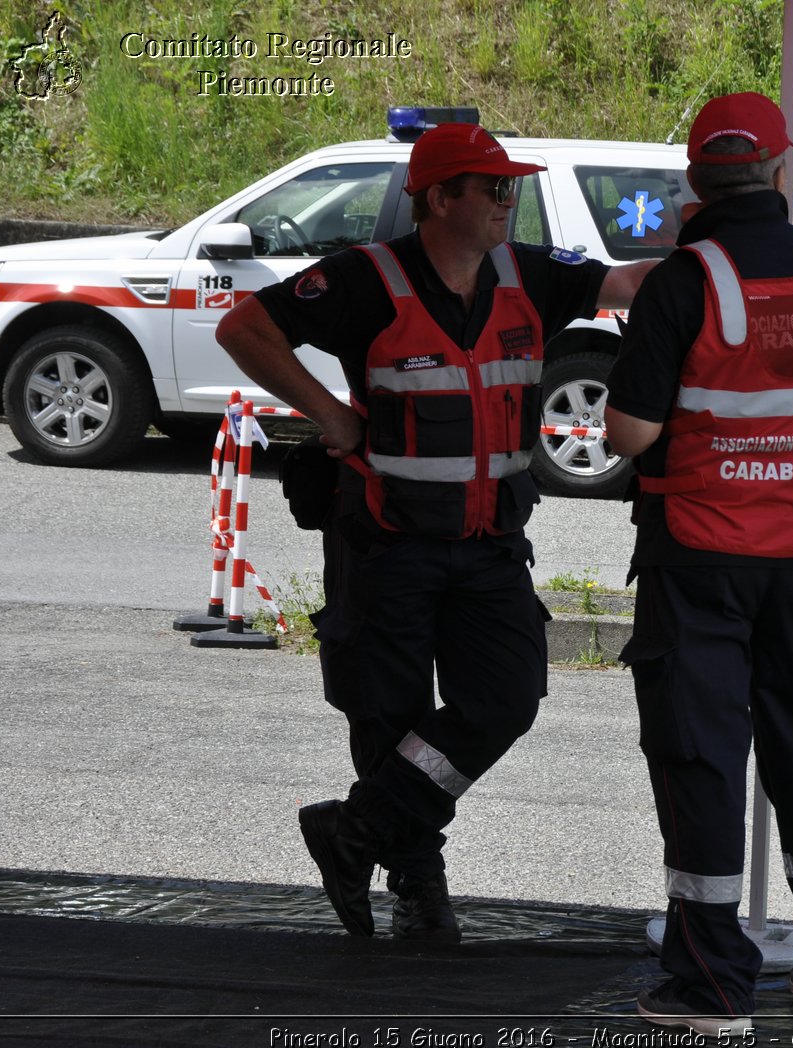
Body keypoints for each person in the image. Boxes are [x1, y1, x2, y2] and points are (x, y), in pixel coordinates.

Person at [216, 122, 656, 943]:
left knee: (505, 698)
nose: (506, 202)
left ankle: (354, 829)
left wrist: (731, 254)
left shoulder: (532, 273)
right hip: (385, 544)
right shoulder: (365, 281)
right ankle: (419, 886)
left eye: (510, 188)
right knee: (389, 714)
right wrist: (331, 416)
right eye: (493, 189)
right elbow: (243, 328)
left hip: (488, 543)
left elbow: (631, 283)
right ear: (439, 198)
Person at [603, 91, 793, 1035]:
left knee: (702, 752)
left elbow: (630, 431)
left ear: (694, 179)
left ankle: (711, 982)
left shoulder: (686, 281)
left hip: (703, 552)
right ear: (778, 166)